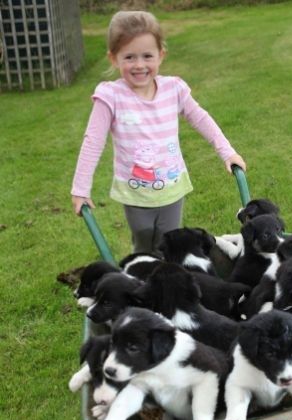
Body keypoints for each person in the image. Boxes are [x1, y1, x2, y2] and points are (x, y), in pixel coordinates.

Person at [71, 10, 246, 253]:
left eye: (147, 56)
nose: (139, 65)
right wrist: (80, 189)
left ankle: (164, 283)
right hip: (135, 193)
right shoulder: (111, 96)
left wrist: (227, 152)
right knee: (143, 240)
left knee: (168, 243)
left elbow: (201, 118)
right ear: (113, 58)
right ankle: (142, 277)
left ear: (161, 55)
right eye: (129, 57)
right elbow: (93, 141)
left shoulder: (173, 89)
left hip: (172, 188)